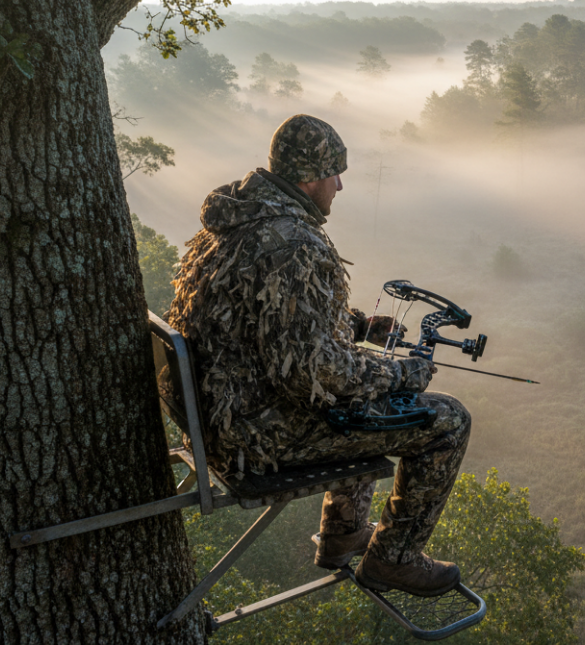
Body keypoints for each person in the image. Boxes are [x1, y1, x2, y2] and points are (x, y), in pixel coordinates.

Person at [168, 114, 471, 597]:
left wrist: (355, 325)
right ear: (310, 176)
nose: (341, 185)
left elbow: (266, 316)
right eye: (335, 173)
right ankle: (394, 559)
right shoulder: (293, 242)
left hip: (224, 415)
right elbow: (319, 374)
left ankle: (345, 533)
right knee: (448, 420)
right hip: (260, 436)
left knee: (363, 389)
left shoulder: (236, 219)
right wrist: (401, 374)